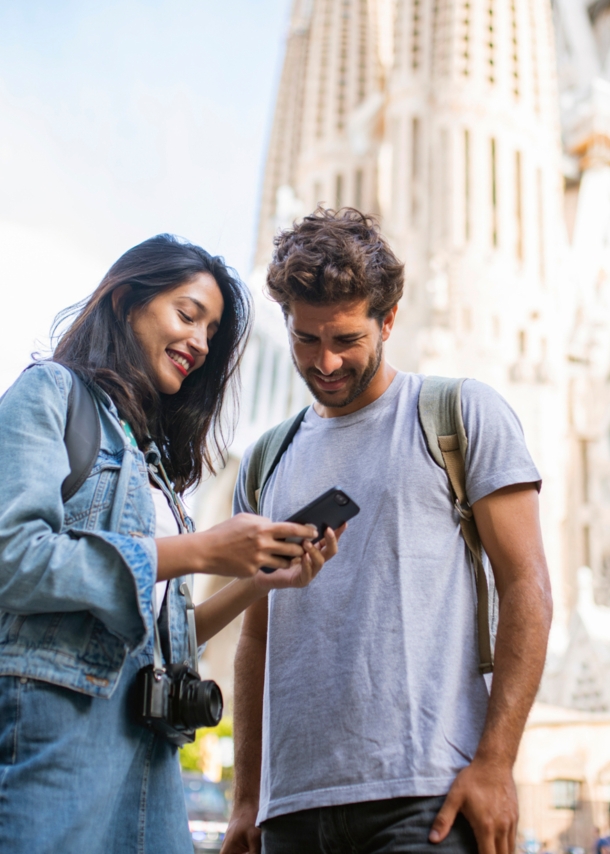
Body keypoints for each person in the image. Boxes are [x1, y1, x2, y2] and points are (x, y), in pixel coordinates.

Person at [223, 209, 553, 854]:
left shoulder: (458, 413)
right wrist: (246, 799)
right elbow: (255, 636)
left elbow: (527, 585)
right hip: (291, 811)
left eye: (346, 339)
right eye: (305, 340)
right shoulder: (268, 458)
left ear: (389, 320)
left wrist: (496, 762)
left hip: (426, 796)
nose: (325, 361)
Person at [0, 234, 342, 854]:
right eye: (188, 315)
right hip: (59, 739)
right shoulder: (49, 394)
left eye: (211, 332)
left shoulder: (153, 464)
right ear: (127, 300)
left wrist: (256, 582)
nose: (200, 344)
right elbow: (13, 559)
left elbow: (168, 636)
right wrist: (201, 550)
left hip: (152, 755)